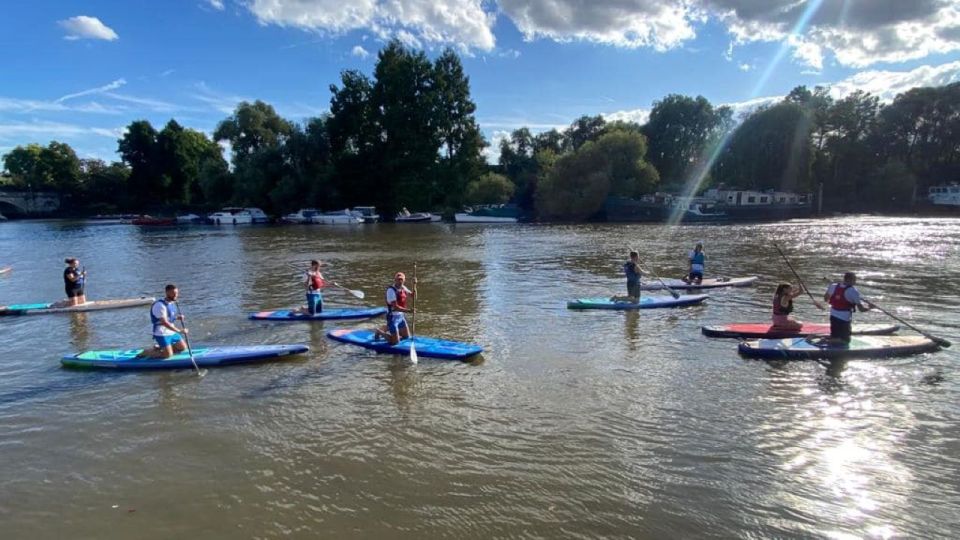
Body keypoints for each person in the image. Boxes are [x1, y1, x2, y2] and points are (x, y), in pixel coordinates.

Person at [139, 284, 188, 359]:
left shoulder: (171, 303)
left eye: (177, 293)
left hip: (171, 331)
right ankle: (146, 352)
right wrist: (179, 331)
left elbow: (169, 317)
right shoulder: (160, 305)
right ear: (167, 292)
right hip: (161, 333)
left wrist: (177, 317)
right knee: (168, 355)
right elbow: (164, 322)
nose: (176, 295)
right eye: (173, 293)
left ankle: (161, 348)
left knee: (183, 348)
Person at [823, 272, 870, 344]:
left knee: (835, 336)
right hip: (844, 319)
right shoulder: (853, 291)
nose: (855, 282)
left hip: (833, 316)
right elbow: (861, 309)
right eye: (854, 280)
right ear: (849, 280)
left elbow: (826, 299)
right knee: (846, 341)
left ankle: (824, 338)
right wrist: (870, 307)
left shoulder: (833, 286)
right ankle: (825, 340)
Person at [375, 271, 416, 345]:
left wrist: (415, 285)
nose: (400, 281)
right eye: (398, 279)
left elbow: (413, 296)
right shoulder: (391, 290)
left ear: (404, 280)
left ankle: (390, 329)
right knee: (395, 342)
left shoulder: (403, 287)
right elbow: (396, 307)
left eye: (401, 279)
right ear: (395, 280)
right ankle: (379, 332)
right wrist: (409, 311)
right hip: (392, 316)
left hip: (401, 316)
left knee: (407, 337)